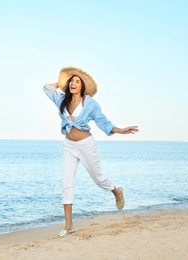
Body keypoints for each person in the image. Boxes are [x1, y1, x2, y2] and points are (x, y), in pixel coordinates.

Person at [43, 66, 139, 237]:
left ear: (82, 86)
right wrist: (61, 82)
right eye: (71, 81)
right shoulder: (61, 100)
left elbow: (104, 122)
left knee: (98, 178)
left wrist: (121, 130)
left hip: (86, 144)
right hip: (68, 145)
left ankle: (116, 191)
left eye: (77, 81)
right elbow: (47, 88)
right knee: (66, 183)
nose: (73, 83)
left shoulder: (90, 103)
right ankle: (69, 225)